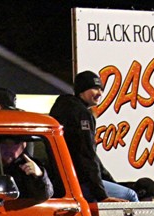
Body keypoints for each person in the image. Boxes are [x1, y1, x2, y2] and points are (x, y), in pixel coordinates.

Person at [49, 71, 138, 202]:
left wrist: (109, 181)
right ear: (82, 90)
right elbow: (87, 156)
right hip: (79, 183)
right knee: (130, 195)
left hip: (63, 181)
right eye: (95, 88)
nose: (100, 93)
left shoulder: (64, 108)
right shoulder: (81, 114)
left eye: (101, 89)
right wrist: (101, 195)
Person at [0, 137, 53, 202]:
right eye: (4, 144)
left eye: (15, 144)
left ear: (24, 145)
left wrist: (39, 175)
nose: (9, 149)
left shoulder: (29, 165)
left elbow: (44, 195)